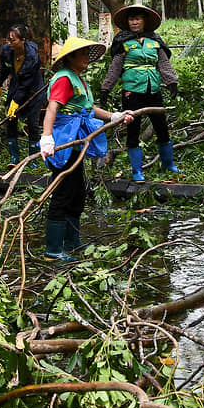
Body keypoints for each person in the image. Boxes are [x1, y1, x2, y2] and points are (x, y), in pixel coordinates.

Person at [40, 36, 133, 261]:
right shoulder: (63, 79)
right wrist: (47, 137)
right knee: (63, 192)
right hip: (64, 141)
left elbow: (88, 108)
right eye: (82, 54)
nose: (86, 59)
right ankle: (53, 249)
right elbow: (52, 108)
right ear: (70, 57)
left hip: (78, 140)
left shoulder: (78, 80)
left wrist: (114, 116)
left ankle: (72, 241)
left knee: (78, 192)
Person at [99, 4, 181, 182]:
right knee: (133, 130)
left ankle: (168, 163)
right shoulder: (123, 43)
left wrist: (172, 82)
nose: (134, 22)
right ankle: (137, 171)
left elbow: (164, 64)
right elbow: (114, 68)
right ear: (127, 22)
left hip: (153, 90)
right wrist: (106, 88)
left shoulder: (154, 42)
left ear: (144, 21)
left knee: (162, 127)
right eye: (131, 19)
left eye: (138, 19)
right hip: (132, 92)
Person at [0, 23, 45, 167]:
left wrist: (16, 101)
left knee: (33, 124)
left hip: (34, 91)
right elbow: (4, 68)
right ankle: (14, 158)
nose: (9, 43)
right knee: (11, 119)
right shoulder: (6, 51)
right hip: (17, 87)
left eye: (12, 40)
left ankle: (33, 159)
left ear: (23, 40)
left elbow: (26, 83)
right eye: (7, 39)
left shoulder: (32, 57)